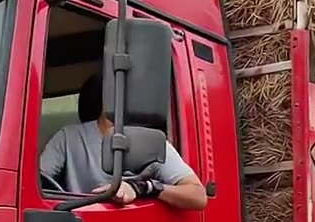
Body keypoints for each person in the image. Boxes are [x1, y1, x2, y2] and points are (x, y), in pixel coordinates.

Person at [40, 74, 207, 210]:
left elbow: (198, 196)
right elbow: (37, 181)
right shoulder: (68, 137)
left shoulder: (151, 143)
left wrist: (142, 187)